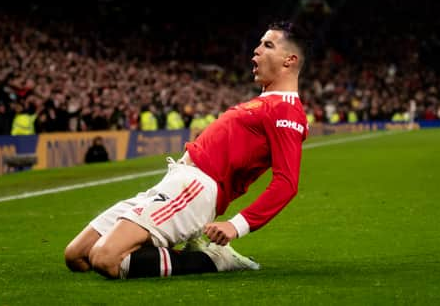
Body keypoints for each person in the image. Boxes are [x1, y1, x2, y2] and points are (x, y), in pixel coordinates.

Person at [64, 21, 310, 279]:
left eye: (267, 45)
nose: (256, 51)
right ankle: (161, 247)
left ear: (289, 60)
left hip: (197, 189)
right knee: (77, 255)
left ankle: (213, 259)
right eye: (259, 43)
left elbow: (287, 183)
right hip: (173, 183)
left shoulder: (286, 110)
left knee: (106, 259)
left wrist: (236, 226)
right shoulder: (263, 103)